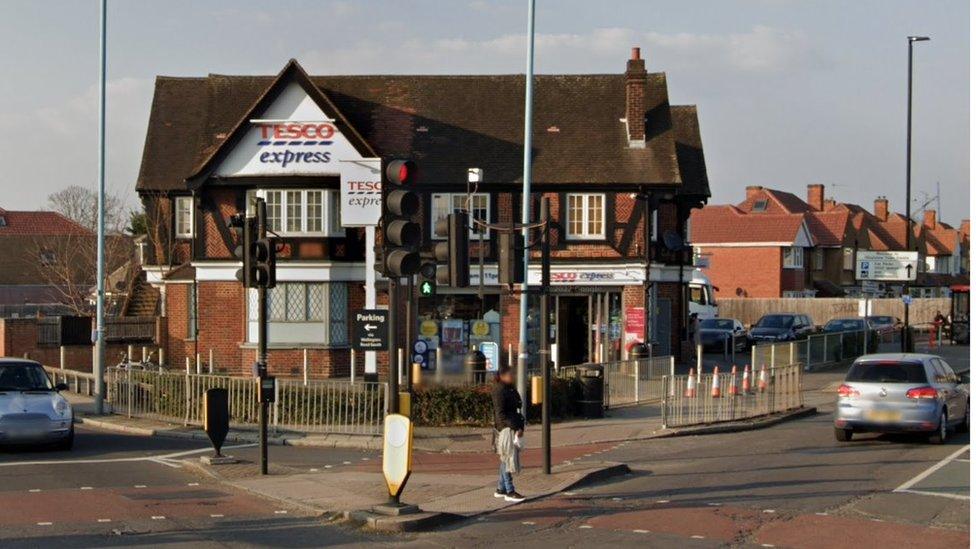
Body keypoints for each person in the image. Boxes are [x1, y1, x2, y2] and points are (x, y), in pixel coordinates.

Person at [491, 364, 525, 502]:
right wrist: (514, 428)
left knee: (505, 458)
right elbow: (500, 413)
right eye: (510, 374)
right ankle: (510, 491)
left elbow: (518, 405)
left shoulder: (509, 388)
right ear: (502, 376)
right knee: (507, 458)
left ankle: (500, 489)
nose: (513, 376)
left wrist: (519, 426)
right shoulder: (499, 390)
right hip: (505, 428)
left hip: (512, 425)